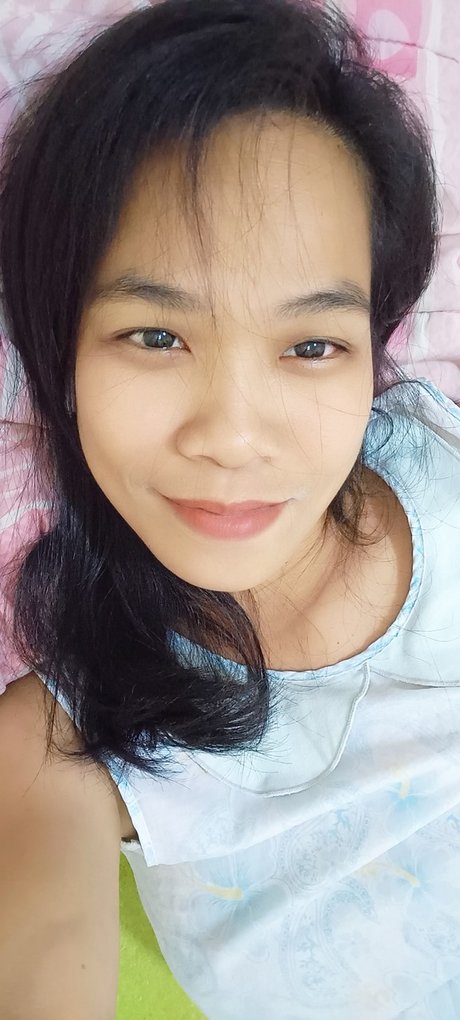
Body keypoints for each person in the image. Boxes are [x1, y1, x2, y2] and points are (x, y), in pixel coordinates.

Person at [0, 0, 459, 1017]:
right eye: (156, 337)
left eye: (311, 346)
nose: (233, 436)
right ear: (59, 352)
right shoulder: (62, 740)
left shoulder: (445, 457)